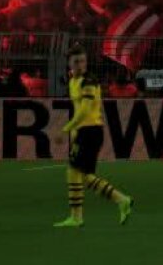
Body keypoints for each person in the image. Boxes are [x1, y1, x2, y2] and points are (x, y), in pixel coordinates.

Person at [54, 43, 134, 229]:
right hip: (84, 132)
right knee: (79, 174)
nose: (80, 64)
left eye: (83, 61)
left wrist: (66, 129)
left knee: (78, 173)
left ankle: (118, 201)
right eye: (76, 61)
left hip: (91, 131)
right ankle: (116, 202)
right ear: (69, 64)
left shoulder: (88, 81)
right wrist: (74, 133)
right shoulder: (74, 81)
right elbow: (78, 111)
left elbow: (85, 110)